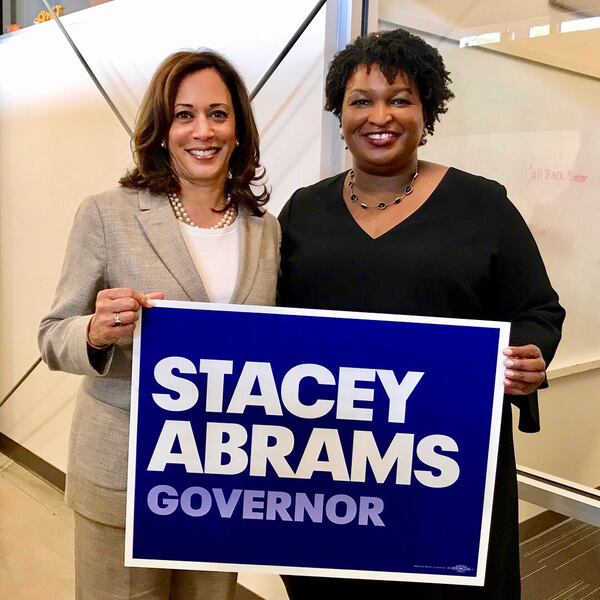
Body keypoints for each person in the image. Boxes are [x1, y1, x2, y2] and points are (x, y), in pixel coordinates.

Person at [278, 28, 565, 599]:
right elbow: (271, 323)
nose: (379, 115)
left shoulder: (483, 205)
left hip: (447, 471)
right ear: (340, 114)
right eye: (361, 101)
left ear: (426, 111)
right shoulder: (304, 210)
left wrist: (526, 357)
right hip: (331, 472)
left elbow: (537, 309)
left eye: (400, 98)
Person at [38, 50, 280, 599]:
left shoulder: (267, 230)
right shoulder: (107, 213)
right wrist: (95, 334)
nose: (203, 130)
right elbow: (53, 334)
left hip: (221, 480)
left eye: (218, 114)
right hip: (123, 475)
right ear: (162, 130)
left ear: (239, 128)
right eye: (184, 115)